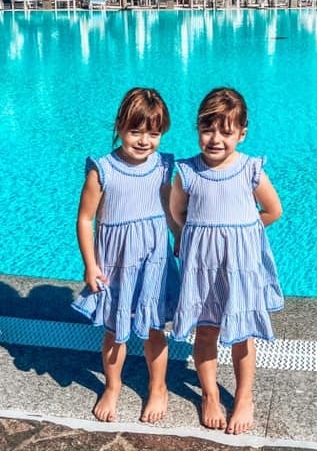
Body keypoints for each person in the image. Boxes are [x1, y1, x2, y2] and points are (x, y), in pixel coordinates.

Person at [170, 88, 283, 435]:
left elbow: (273, 210)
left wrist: (243, 235)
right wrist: (187, 238)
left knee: (242, 334)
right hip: (203, 267)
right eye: (208, 129)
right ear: (197, 128)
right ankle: (209, 394)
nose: (215, 139)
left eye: (226, 131)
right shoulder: (187, 172)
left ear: (241, 133)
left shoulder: (249, 169)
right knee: (205, 331)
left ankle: (244, 396)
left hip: (240, 267)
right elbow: (177, 212)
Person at [73, 88, 180, 424]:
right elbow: (85, 219)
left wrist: (179, 239)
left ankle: (158, 387)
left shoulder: (163, 166)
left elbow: (168, 206)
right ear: (119, 126)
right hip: (116, 263)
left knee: (153, 328)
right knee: (113, 329)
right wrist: (90, 265)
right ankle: (112, 386)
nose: (145, 140)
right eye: (136, 131)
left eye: (154, 132)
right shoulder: (102, 169)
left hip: (154, 260)